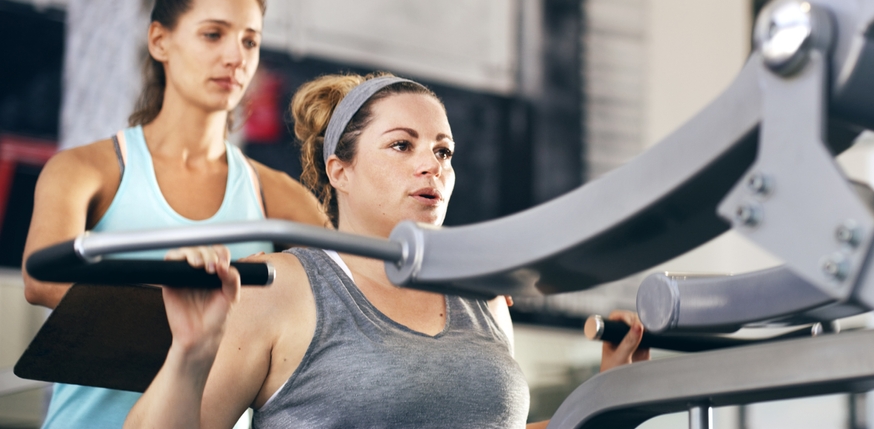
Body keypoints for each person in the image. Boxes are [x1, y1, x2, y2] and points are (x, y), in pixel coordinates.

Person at [123, 73, 650, 429]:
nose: (432, 165)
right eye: (402, 145)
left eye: (443, 150)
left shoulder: (482, 301)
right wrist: (190, 353)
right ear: (340, 170)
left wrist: (609, 398)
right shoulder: (276, 286)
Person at [21, 0, 329, 429]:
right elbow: (41, 281)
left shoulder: (279, 197)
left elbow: (338, 298)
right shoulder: (85, 169)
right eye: (214, 34)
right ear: (160, 41)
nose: (236, 56)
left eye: (250, 40)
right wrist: (205, 321)